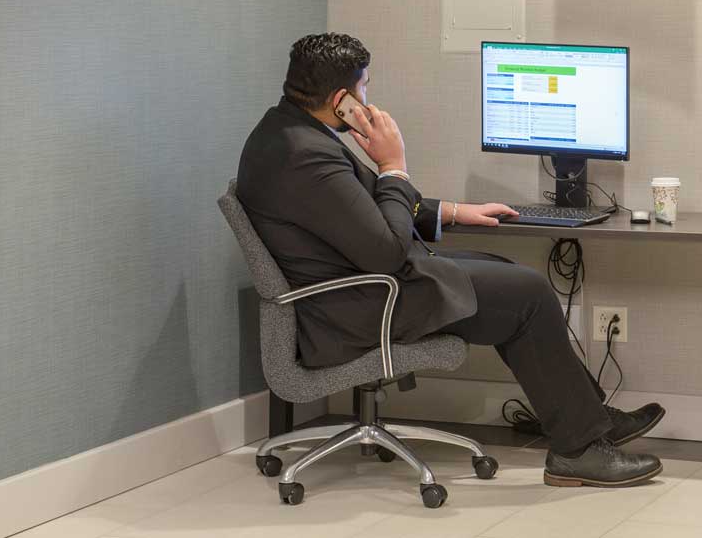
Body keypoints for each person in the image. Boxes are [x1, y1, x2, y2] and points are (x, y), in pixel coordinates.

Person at [236, 33, 665, 487]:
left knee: (509, 275)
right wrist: (394, 165)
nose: (367, 99)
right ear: (341, 99)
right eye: (364, 88)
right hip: (358, 307)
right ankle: (577, 451)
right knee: (529, 294)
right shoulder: (306, 155)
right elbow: (384, 249)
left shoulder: (285, 131)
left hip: (361, 287)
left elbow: (361, 209)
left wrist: (454, 212)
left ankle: (587, 417)